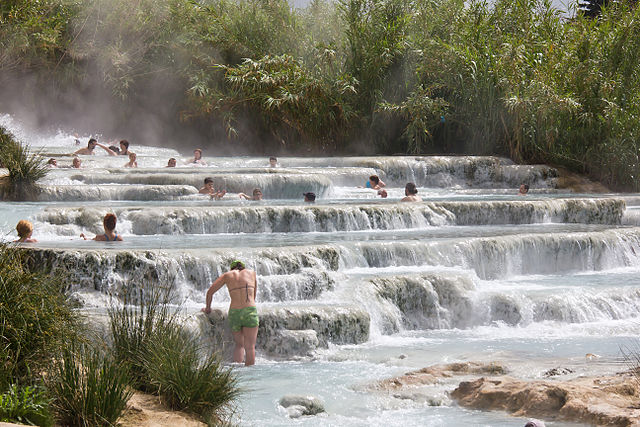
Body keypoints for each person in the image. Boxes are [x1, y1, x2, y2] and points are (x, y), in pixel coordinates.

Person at [201, 260, 258, 366]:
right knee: (250, 347)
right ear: (243, 267)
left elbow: (210, 292)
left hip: (234, 313)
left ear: (232, 268)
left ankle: (237, 371)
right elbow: (253, 296)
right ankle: (251, 376)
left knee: (239, 345)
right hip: (250, 311)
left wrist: (208, 308)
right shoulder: (252, 273)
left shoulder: (227, 275)